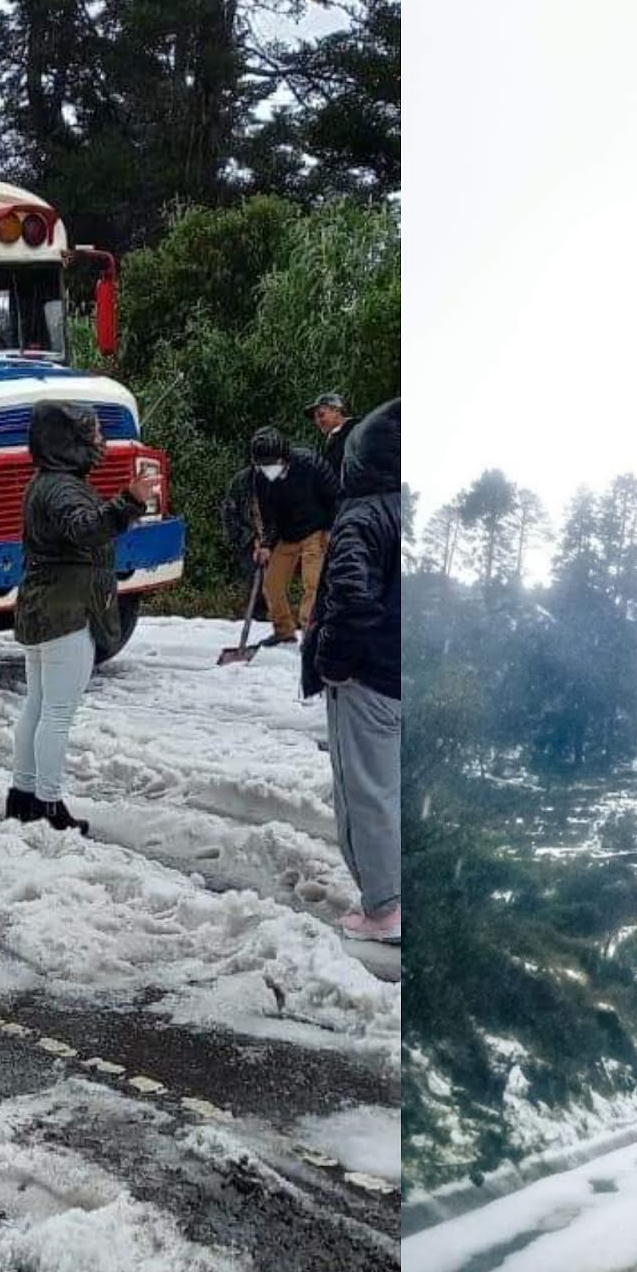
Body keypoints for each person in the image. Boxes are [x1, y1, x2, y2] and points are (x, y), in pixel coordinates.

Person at [7, 400, 156, 833]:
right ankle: (49, 807)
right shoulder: (63, 489)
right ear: (67, 442)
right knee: (56, 714)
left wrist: (116, 505)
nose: (99, 444)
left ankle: (22, 797)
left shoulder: (45, 483)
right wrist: (127, 503)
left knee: (36, 708)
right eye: (91, 436)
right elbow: (86, 528)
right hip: (66, 611)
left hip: (41, 606)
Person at [302, 397, 400, 943]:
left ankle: (385, 909)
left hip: (368, 679)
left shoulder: (362, 516)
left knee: (366, 793)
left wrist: (333, 665)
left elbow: (349, 597)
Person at [249, 426, 339, 648]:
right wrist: (266, 544)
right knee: (271, 584)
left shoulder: (310, 464)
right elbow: (268, 516)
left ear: (284, 456)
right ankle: (283, 631)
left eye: (271, 463)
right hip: (287, 534)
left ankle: (311, 634)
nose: (268, 469)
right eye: (263, 464)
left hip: (316, 531)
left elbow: (336, 497)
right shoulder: (261, 478)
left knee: (313, 584)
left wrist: (329, 529)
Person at [308, 391, 357, 480]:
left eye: (321, 415)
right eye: (314, 418)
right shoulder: (332, 439)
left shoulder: (356, 432)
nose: (317, 421)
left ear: (337, 410)